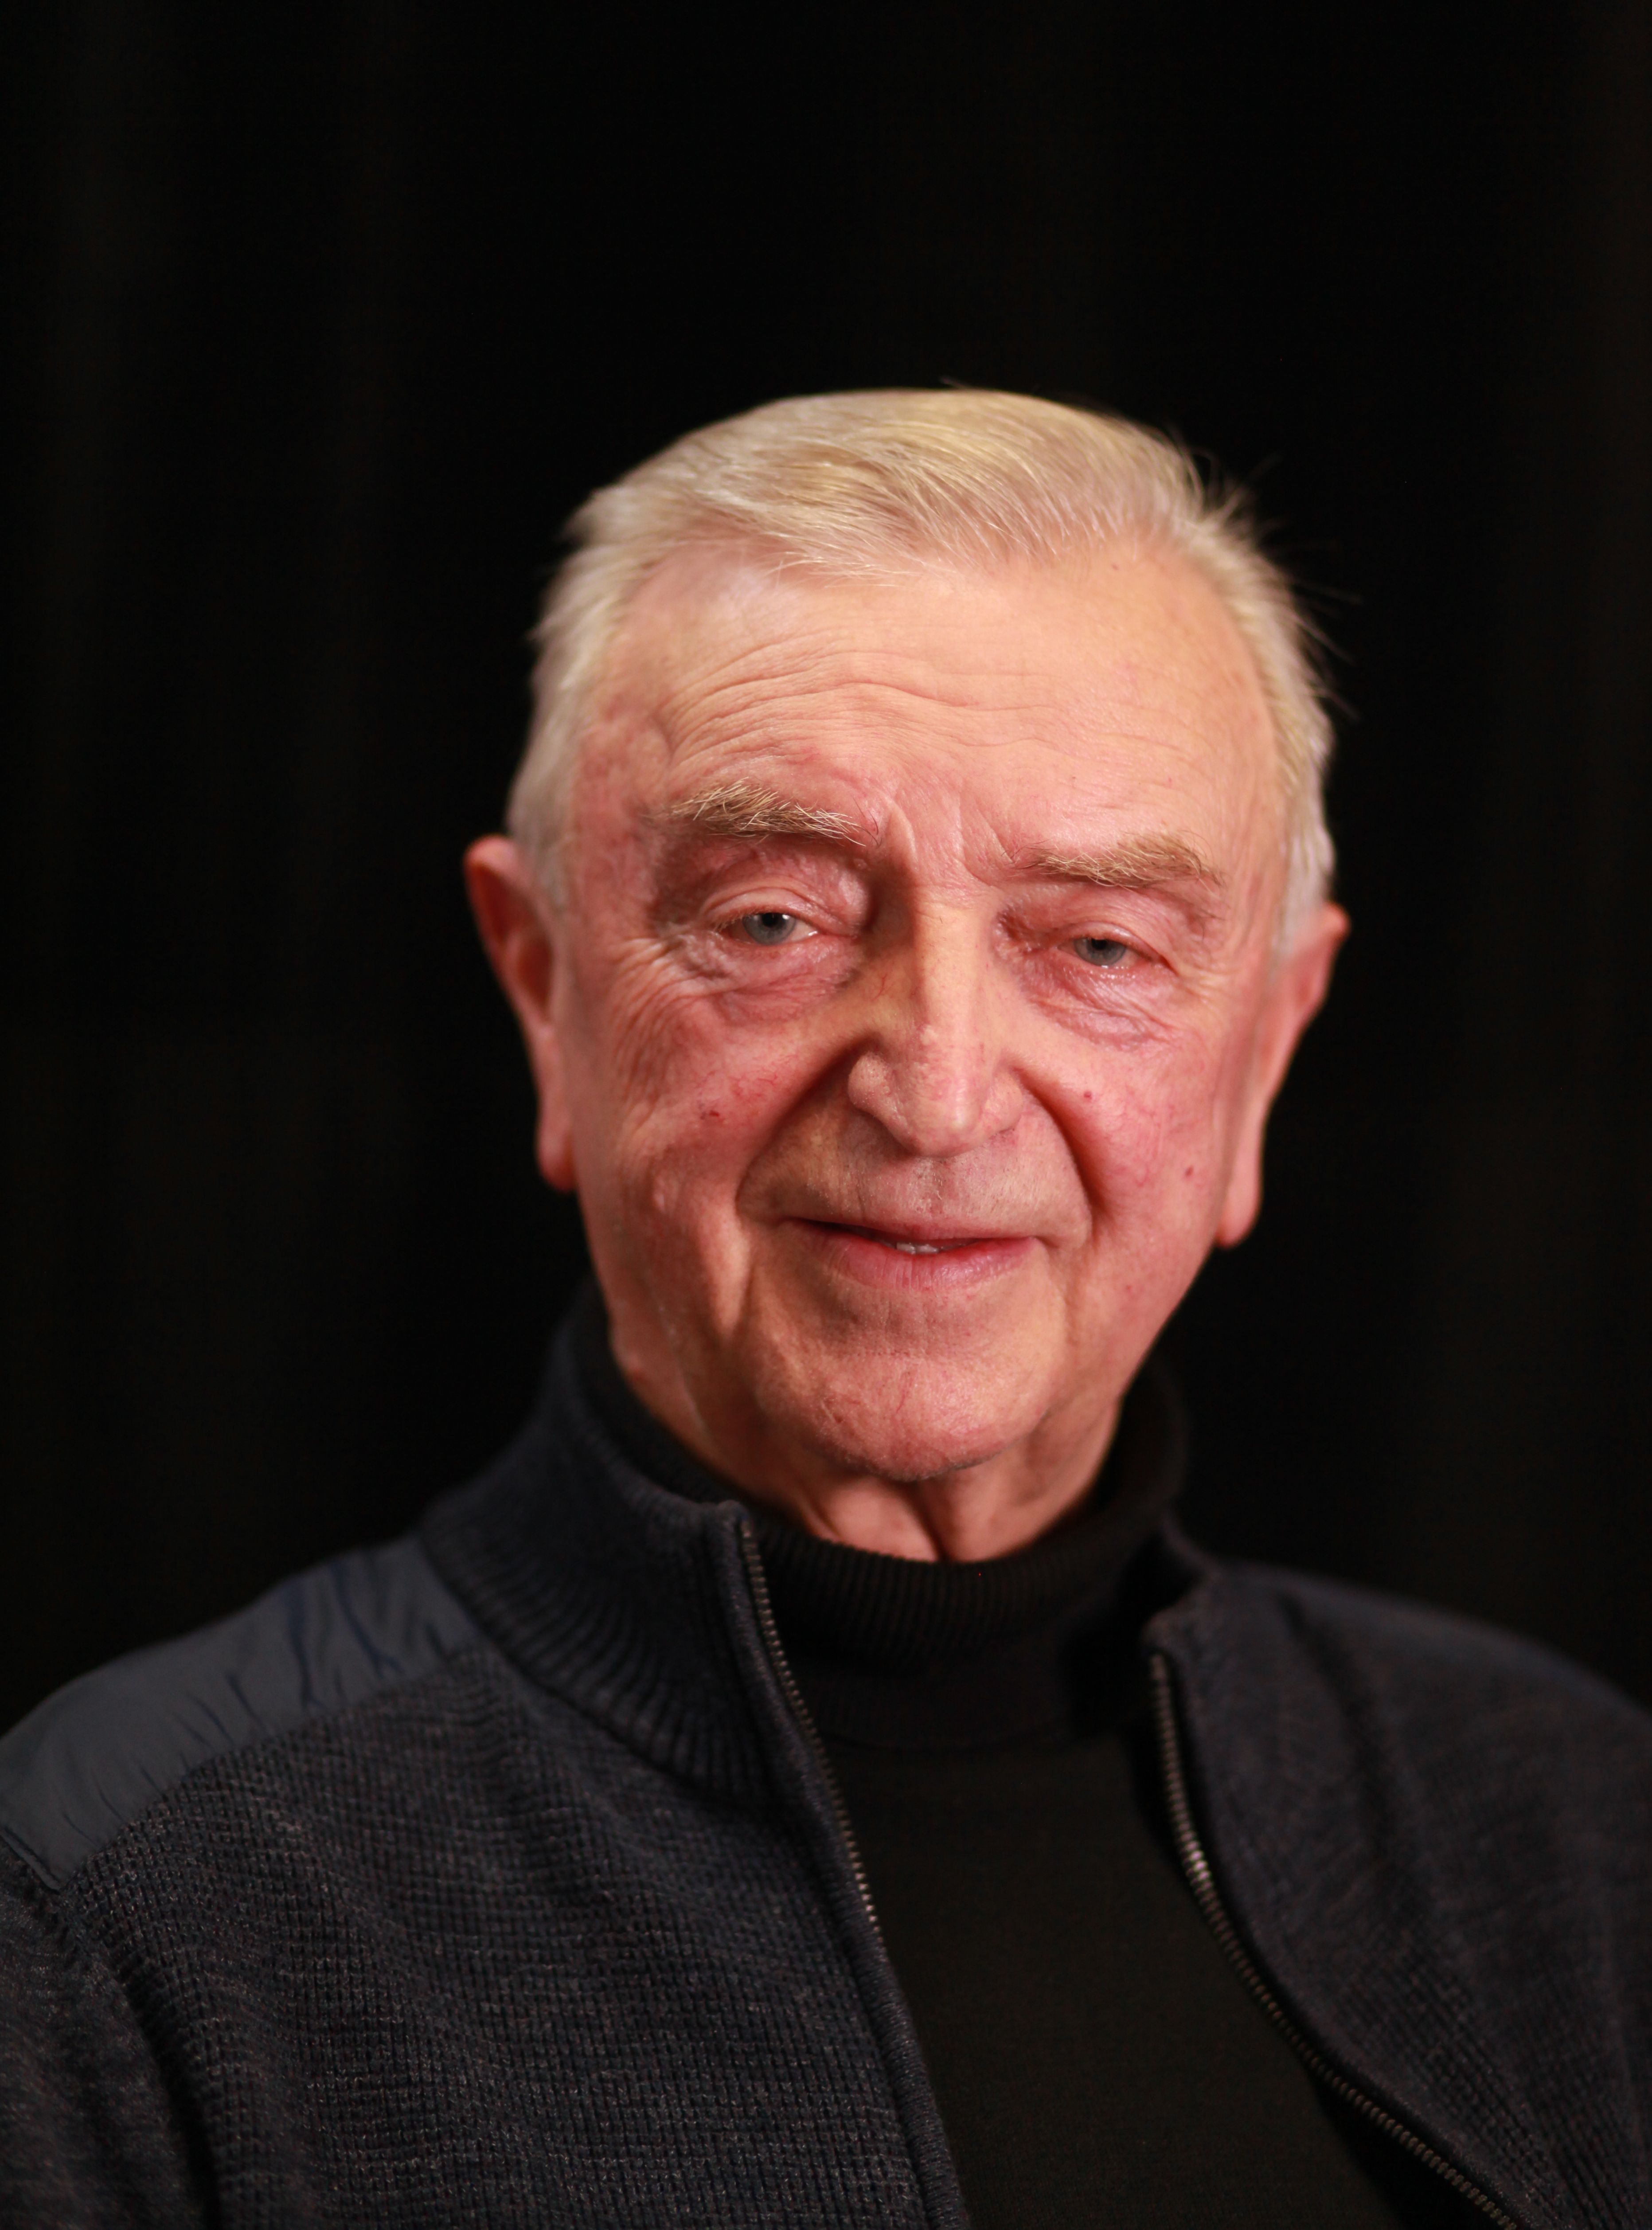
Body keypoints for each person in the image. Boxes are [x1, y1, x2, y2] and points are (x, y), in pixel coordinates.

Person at [1, 391, 1647, 2230]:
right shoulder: (108, 1911)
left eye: (1100, 944)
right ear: (543, 991)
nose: (935, 1093)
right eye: (773, 921)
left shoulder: (1576, 1834)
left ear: (1264, 1049)